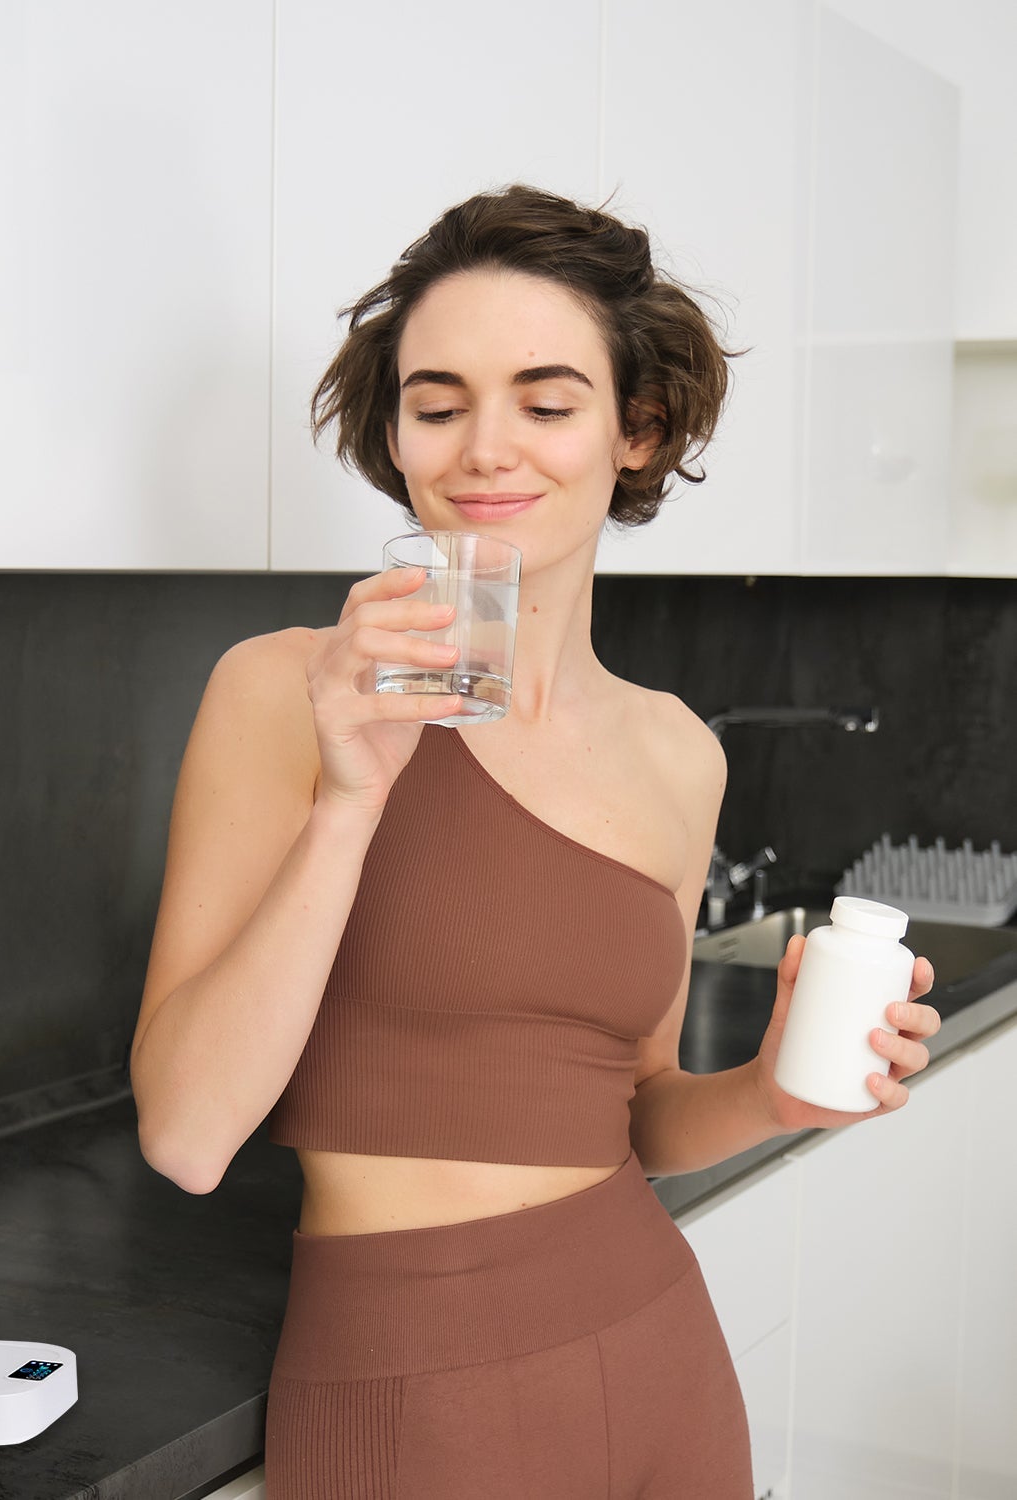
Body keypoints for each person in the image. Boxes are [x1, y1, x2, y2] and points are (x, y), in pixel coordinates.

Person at [129, 183, 941, 1497]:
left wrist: (782, 1094)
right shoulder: (285, 691)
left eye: (547, 403)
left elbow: (638, 1115)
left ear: (639, 429)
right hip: (413, 1388)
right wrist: (351, 799)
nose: (483, 449)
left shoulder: (681, 750)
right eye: (438, 404)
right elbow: (185, 1133)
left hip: (658, 1346)